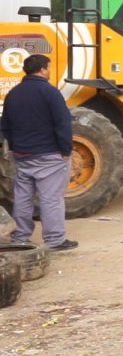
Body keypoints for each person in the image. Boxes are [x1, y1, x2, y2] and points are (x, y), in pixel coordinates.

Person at [0, 54, 78, 252]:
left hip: (22, 155)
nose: (50, 70)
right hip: (49, 155)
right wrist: (66, 150)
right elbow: (63, 123)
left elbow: (5, 125)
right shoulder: (50, 92)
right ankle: (54, 240)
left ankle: (20, 236)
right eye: (49, 67)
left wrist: (15, 147)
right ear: (43, 69)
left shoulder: (14, 94)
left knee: (23, 197)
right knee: (50, 198)